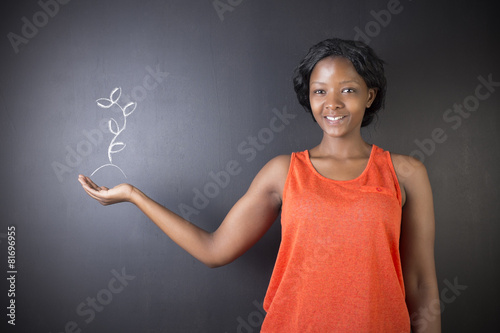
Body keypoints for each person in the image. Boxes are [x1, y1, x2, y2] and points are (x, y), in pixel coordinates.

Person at [79, 38, 441, 332]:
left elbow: (422, 286)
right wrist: (132, 195)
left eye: (347, 90)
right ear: (309, 97)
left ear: (370, 96)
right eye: (320, 91)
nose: (332, 103)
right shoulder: (282, 172)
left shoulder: (406, 173)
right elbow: (214, 250)